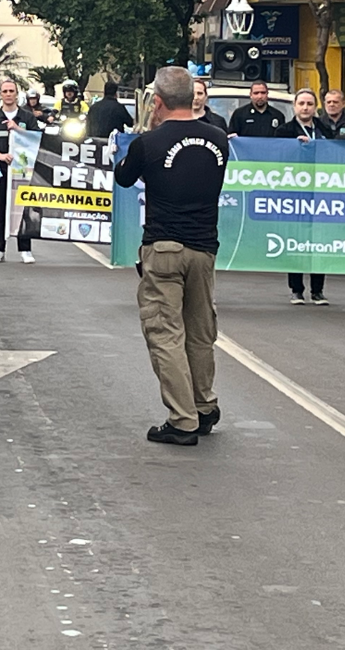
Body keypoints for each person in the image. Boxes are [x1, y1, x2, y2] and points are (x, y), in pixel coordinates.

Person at [114, 66, 228, 446]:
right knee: (200, 332)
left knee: (165, 333)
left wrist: (147, 130)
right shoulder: (218, 139)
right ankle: (204, 405)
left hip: (163, 247)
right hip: (204, 248)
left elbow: (124, 177)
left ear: (158, 102)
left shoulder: (149, 143)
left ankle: (182, 420)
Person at [276, 89, 332, 305]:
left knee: (319, 243)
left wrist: (317, 146)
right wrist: (296, 148)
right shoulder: (284, 130)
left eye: (309, 104)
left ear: (315, 107)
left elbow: (334, 152)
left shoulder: (324, 129)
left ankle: (318, 290)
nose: (305, 108)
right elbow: (277, 156)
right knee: (296, 241)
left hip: (320, 192)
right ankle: (296, 290)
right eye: (301, 104)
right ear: (295, 106)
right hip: (295, 192)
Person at [0, 78, 39, 263]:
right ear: (0, 95)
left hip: (23, 172)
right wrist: (0, 156)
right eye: (5, 91)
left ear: (17, 94)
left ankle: (25, 249)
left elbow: (37, 140)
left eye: (11, 91)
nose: (8, 94)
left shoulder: (27, 118)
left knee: (23, 209)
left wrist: (17, 129)